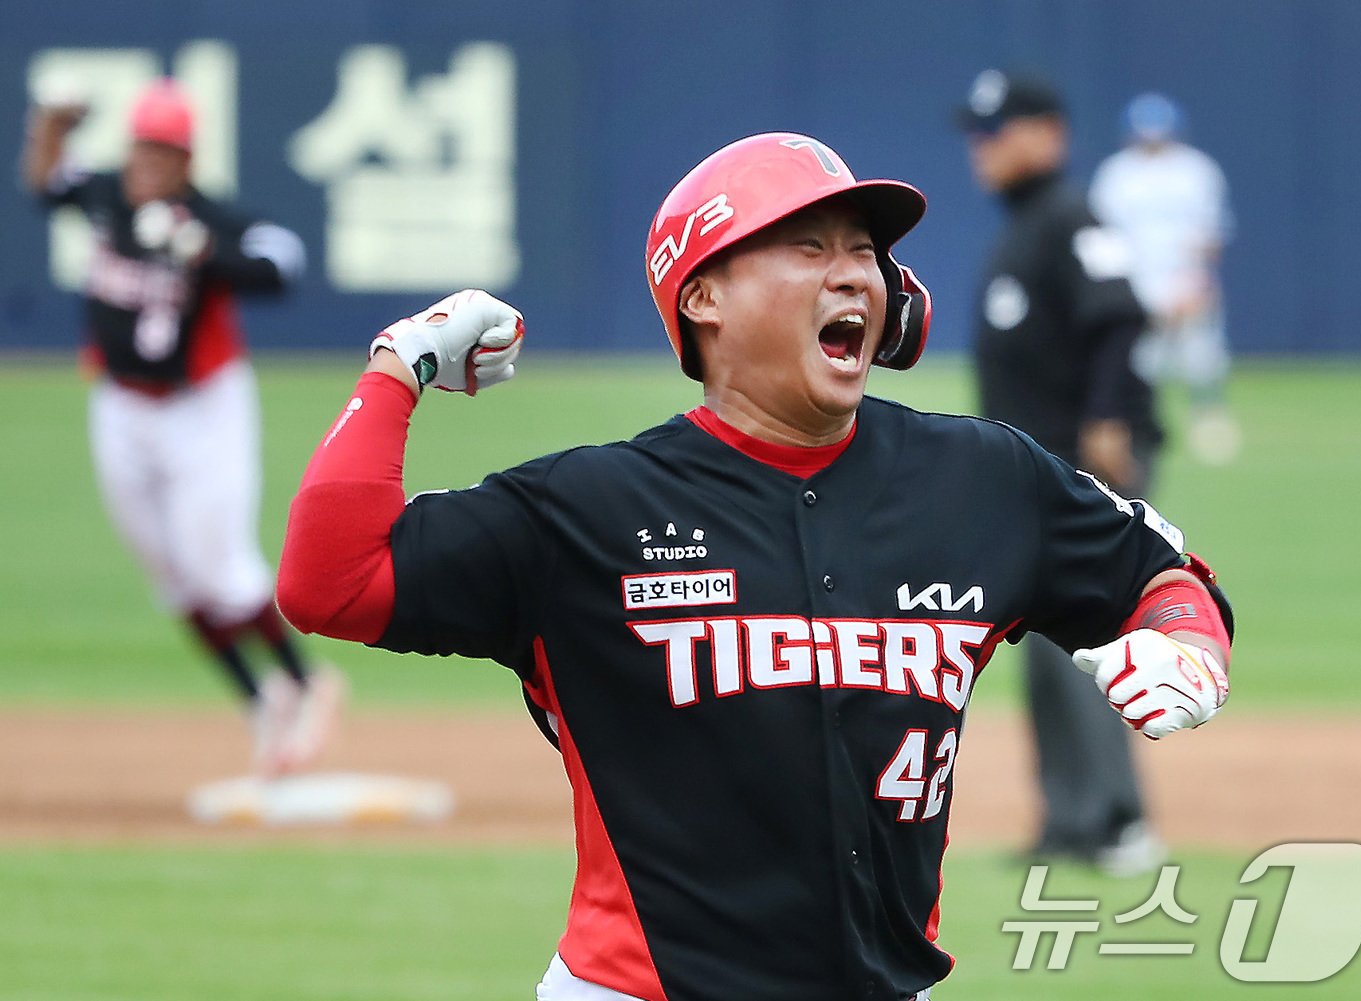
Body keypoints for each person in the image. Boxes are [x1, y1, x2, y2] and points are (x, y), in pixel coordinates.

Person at [276, 132, 1234, 1001]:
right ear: (703, 297)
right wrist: (399, 365)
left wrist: (1184, 639)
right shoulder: (587, 510)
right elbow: (330, 582)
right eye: (809, 246)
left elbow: (1166, 576)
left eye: (864, 250)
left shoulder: (981, 479)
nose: (853, 273)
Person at [20, 77, 342, 777]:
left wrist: (200, 248)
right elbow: (45, 182)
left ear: (186, 159)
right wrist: (50, 123)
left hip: (203, 407)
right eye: (141, 147)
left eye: (162, 152)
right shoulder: (108, 195)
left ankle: (306, 681)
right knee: (171, 574)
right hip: (120, 405)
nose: (147, 162)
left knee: (217, 563)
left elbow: (281, 261)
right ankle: (260, 700)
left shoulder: (207, 217)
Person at [955, 69, 1171, 875]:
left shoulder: (1072, 218)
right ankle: (1068, 819)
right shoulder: (1025, 227)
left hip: (1086, 470)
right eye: (977, 132)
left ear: (1049, 134)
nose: (981, 146)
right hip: (1039, 475)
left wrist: (1108, 419)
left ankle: (1118, 822)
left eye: (997, 130)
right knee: (1046, 646)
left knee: (1084, 642)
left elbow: (1119, 319)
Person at [1090, 92, 1240, 465]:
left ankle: (1209, 425)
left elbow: (1211, 234)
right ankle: (1140, 427)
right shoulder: (1116, 174)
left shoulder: (1196, 170)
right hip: (1133, 286)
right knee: (1137, 363)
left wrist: (1196, 283)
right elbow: (1102, 237)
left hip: (1184, 282)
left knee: (1202, 357)